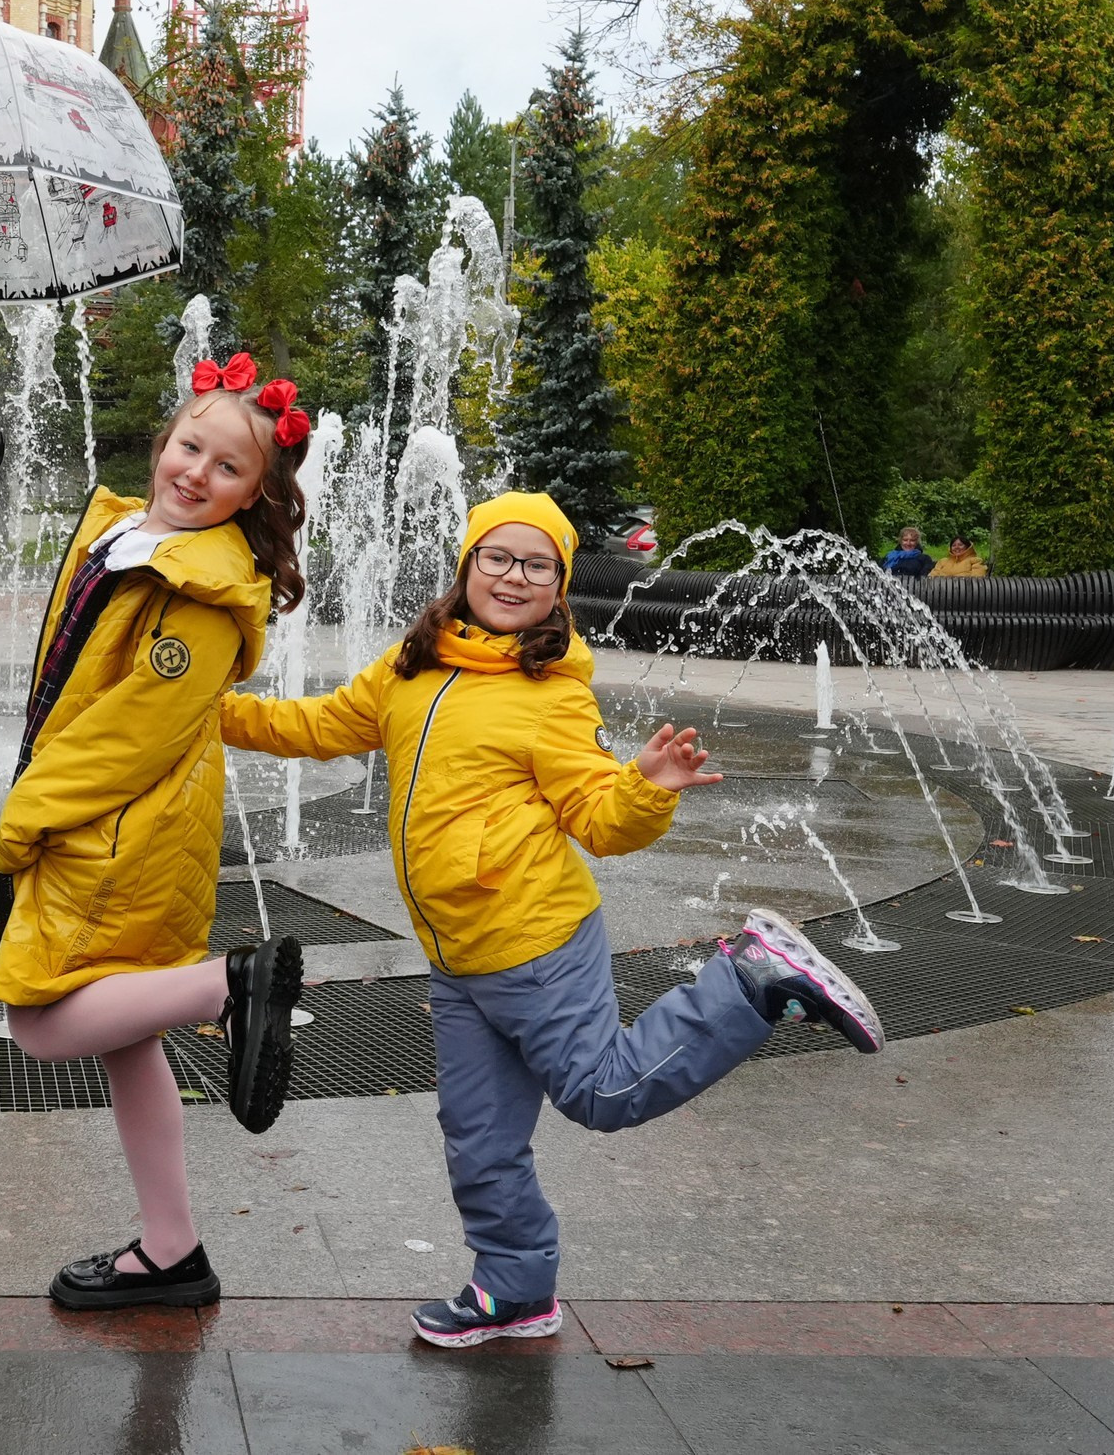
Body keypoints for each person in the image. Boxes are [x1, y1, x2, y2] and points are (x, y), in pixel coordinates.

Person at [221, 492, 886, 1348]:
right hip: (459, 960)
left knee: (603, 1091)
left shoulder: (552, 694)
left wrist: (645, 785)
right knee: (478, 1137)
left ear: (559, 586)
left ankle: (753, 980)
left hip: (538, 944)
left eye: (537, 565)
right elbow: (315, 724)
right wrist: (208, 710)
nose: (513, 576)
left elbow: (601, 821)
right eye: (496, 557)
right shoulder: (408, 667)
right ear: (466, 566)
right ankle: (514, 1290)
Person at [0, 353, 309, 1313]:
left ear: (256, 495)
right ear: (164, 439)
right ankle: (173, 1248)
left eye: (228, 468)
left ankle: (234, 984)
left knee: (39, 1020)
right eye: (190, 446)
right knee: (129, 1039)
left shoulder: (201, 589)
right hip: (120, 822)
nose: (197, 472)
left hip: (116, 830)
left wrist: (27, 814)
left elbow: (132, 733)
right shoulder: (138, 537)